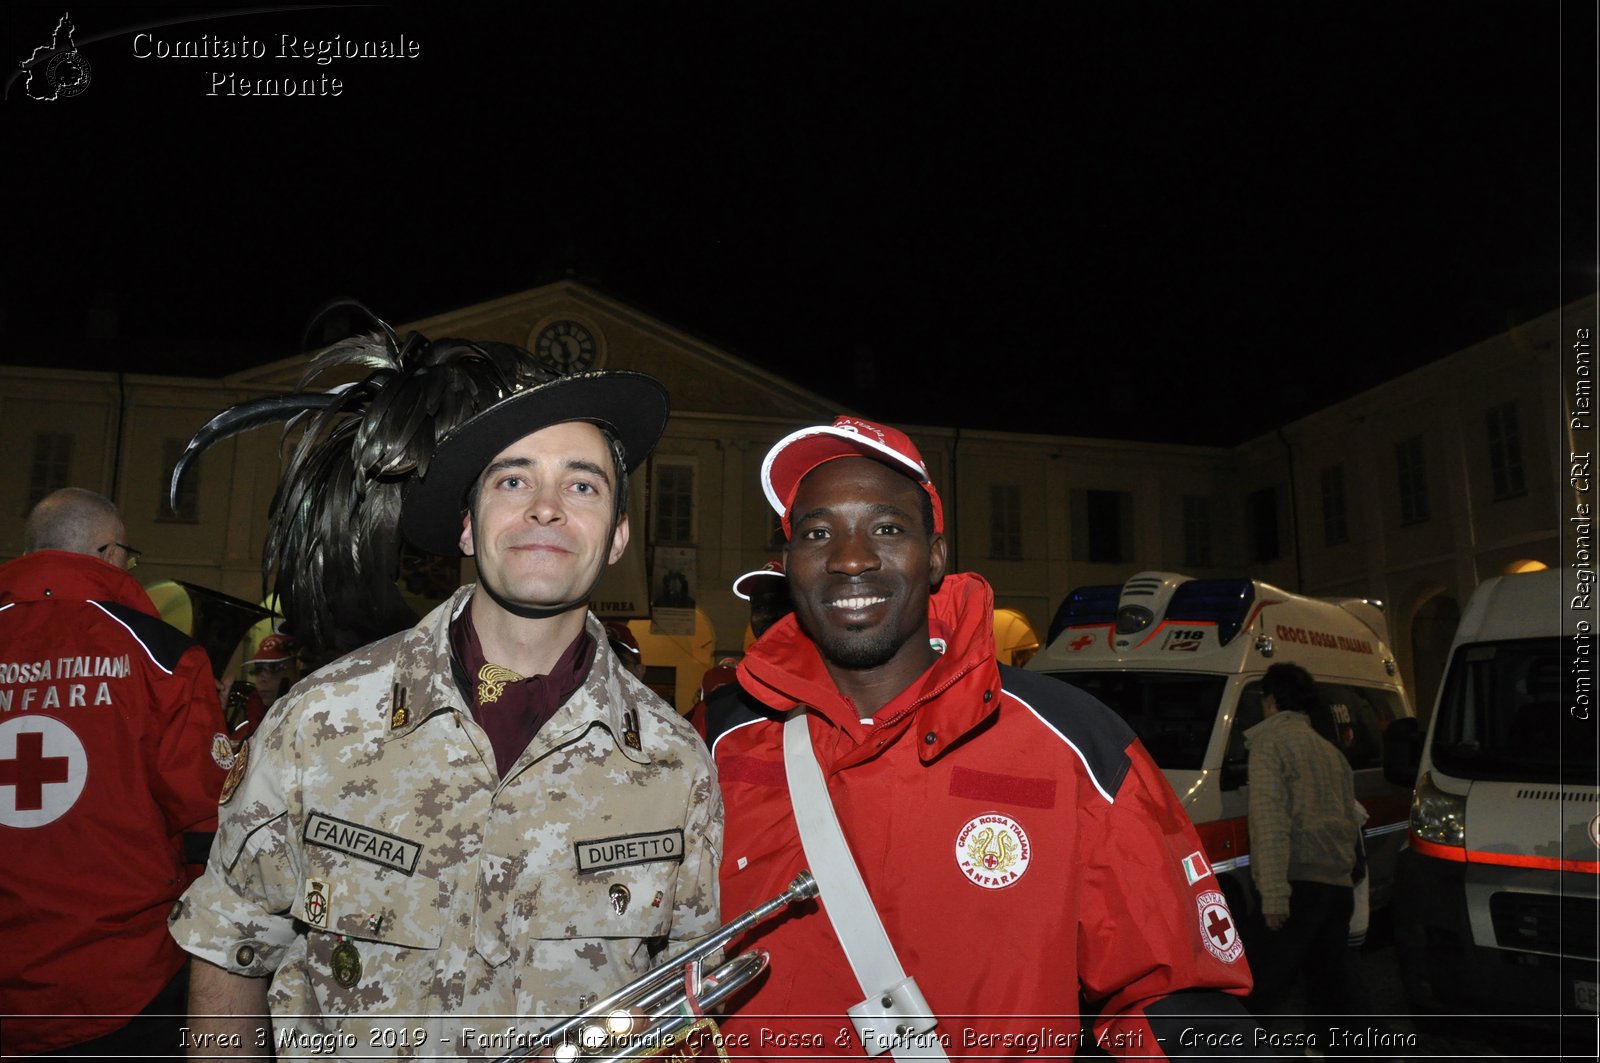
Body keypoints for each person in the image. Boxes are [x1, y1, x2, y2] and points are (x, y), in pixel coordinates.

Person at [169, 353, 723, 1057]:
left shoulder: (674, 766)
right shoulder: (319, 723)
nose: (545, 506)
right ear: (467, 525)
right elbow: (230, 947)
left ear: (617, 537)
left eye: (582, 485)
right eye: (513, 478)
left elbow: (684, 995)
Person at [706, 417, 1260, 1059]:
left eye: (886, 529)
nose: (850, 557)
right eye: (817, 532)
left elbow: (1175, 993)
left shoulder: (1072, 741)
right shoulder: (717, 743)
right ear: (788, 563)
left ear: (935, 555)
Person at [0, 488, 230, 1057]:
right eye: (128, 553)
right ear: (106, 552)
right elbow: (208, 818)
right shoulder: (162, 656)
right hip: (123, 981)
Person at [1243, 662, 1370, 1048]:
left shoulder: (1270, 745)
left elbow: (1270, 822)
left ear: (1270, 701)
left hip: (1299, 883)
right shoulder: (1330, 752)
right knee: (1330, 981)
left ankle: (1229, 1052)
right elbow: (1349, 818)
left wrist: (1274, 894)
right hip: (1336, 884)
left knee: (1263, 982)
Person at [687, 560, 791, 740]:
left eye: (778, 603)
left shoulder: (841, 685)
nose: (766, 615)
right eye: (758, 607)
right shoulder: (718, 709)